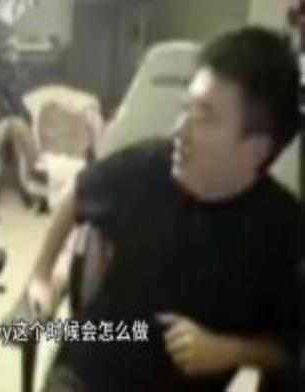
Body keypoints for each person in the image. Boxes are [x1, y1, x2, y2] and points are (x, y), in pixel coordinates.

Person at [27, 27, 303, 391]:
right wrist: (41, 275)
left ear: (256, 150)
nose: (179, 130)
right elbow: (75, 194)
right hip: (90, 369)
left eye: (204, 117)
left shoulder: (282, 231)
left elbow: (290, 349)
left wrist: (231, 350)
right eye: (186, 108)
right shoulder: (148, 166)